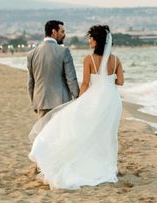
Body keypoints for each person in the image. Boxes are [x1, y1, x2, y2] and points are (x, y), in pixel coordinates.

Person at [29, 25, 125, 190]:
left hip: (95, 99)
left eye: (90, 38)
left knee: (88, 132)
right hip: (112, 101)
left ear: (96, 41)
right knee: (108, 133)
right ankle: (107, 165)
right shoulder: (116, 60)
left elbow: (86, 83)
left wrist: (79, 100)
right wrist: (110, 79)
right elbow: (121, 82)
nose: (89, 41)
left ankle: (88, 163)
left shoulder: (89, 59)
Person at [27, 20, 79, 117]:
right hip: (61, 102)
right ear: (54, 32)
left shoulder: (32, 54)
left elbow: (31, 82)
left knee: (44, 131)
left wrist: (34, 102)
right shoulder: (64, 51)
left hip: (41, 102)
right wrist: (78, 97)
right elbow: (71, 79)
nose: (64, 35)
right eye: (62, 32)